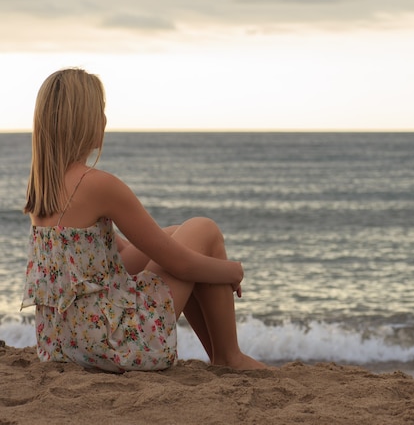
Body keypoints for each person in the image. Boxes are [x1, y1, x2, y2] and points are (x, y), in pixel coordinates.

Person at [21, 68, 265, 372]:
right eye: (101, 111)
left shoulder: (40, 189)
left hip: (63, 343)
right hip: (113, 343)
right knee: (205, 229)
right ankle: (229, 357)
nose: (105, 120)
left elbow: (120, 257)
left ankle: (224, 356)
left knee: (179, 234)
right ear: (84, 120)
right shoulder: (97, 184)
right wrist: (232, 271)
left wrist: (175, 239)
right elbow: (181, 265)